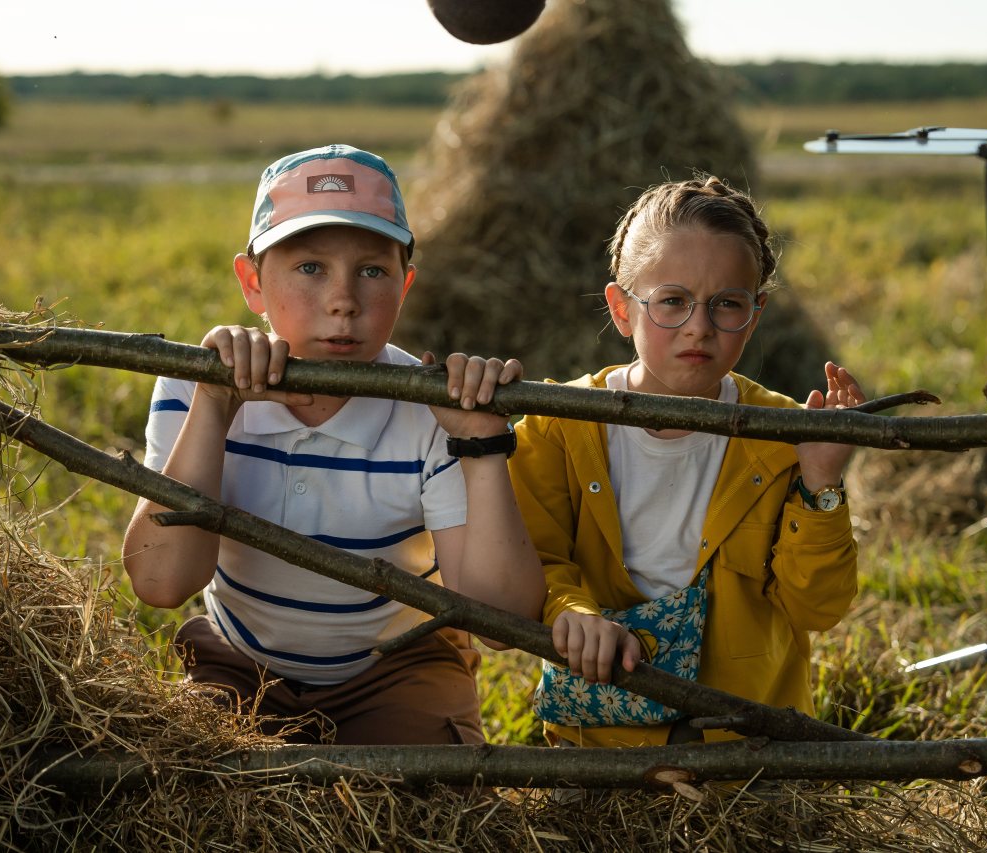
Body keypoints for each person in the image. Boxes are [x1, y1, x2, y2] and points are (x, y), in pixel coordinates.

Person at [122, 144, 545, 746]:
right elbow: (160, 585)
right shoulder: (194, 387)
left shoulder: (432, 412)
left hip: (394, 665)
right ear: (252, 282)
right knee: (196, 785)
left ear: (406, 284)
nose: (343, 299)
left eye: (373, 271)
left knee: (421, 801)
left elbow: (502, 621)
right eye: (309, 267)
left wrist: (480, 445)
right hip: (241, 659)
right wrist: (215, 406)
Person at [511, 175, 865, 749]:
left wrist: (820, 483)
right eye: (672, 301)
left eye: (727, 304)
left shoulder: (782, 434)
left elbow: (817, 608)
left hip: (750, 753)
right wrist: (571, 609)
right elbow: (534, 560)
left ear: (755, 313)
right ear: (621, 309)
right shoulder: (559, 425)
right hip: (599, 751)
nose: (699, 326)